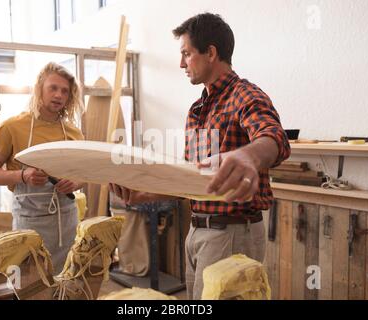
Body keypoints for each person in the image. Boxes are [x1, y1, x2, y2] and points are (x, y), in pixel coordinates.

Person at [110, 13, 291, 300]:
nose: (181, 63)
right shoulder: (197, 110)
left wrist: (250, 156)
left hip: (232, 233)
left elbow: (274, 137)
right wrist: (141, 194)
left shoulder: (245, 95)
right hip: (197, 232)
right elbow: (190, 180)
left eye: (186, 54)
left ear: (211, 53)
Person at [0, 62, 85, 273]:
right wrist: (22, 175)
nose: (58, 95)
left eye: (65, 91)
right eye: (53, 88)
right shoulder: (13, 127)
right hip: (30, 221)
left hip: (66, 221)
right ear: (40, 88)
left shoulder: (74, 133)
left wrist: (75, 183)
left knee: (65, 279)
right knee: (28, 281)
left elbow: (83, 174)